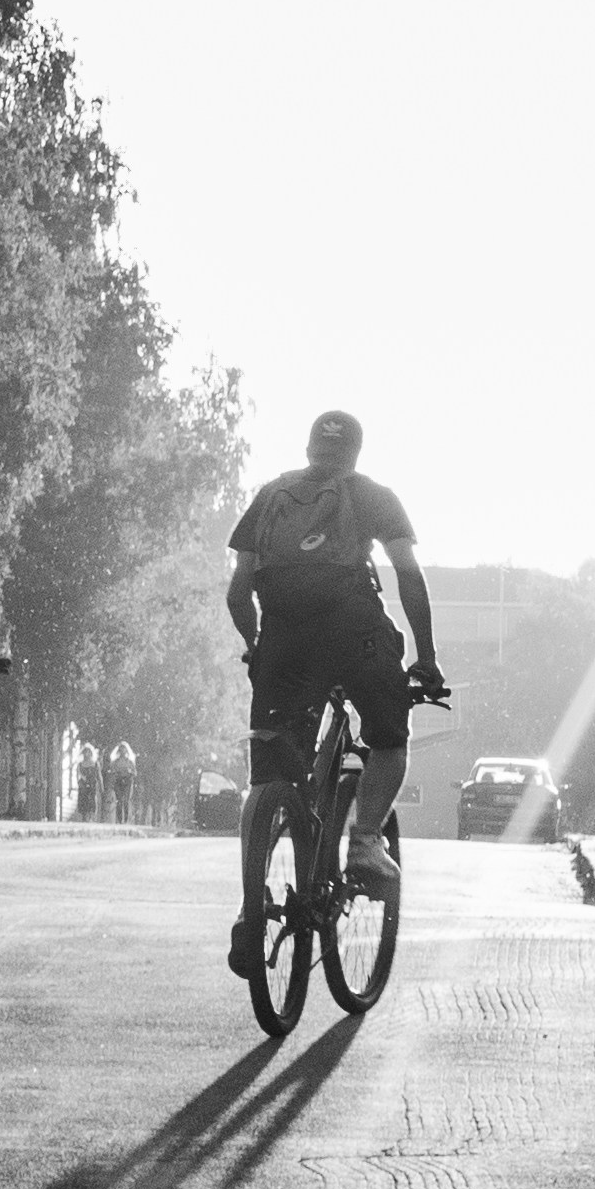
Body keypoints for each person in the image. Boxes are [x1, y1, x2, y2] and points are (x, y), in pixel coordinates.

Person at [224, 408, 448, 977]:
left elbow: (237, 591)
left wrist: (258, 648)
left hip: (282, 643)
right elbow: (408, 575)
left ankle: (254, 908)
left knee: (268, 777)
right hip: (354, 634)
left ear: (307, 449)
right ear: (356, 453)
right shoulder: (373, 495)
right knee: (389, 736)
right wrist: (424, 656)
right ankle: (367, 841)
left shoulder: (272, 495)